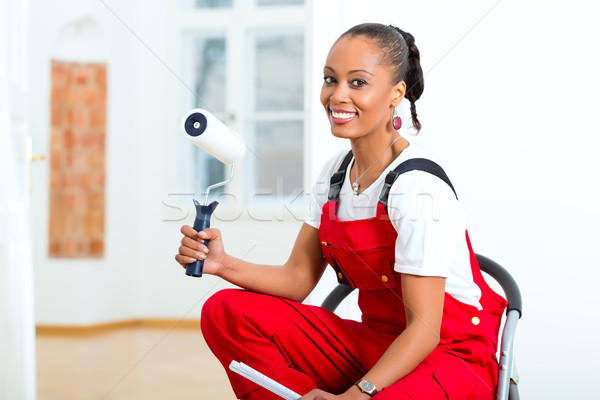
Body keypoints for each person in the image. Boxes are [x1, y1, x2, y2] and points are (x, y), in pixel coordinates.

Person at [176, 23, 507, 400]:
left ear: (396, 93)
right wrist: (223, 264)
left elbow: (425, 330)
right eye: (330, 79)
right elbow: (298, 278)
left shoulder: (417, 185)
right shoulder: (335, 173)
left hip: (446, 356)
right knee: (226, 311)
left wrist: (357, 393)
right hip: (376, 344)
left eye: (358, 82)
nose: (337, 95)